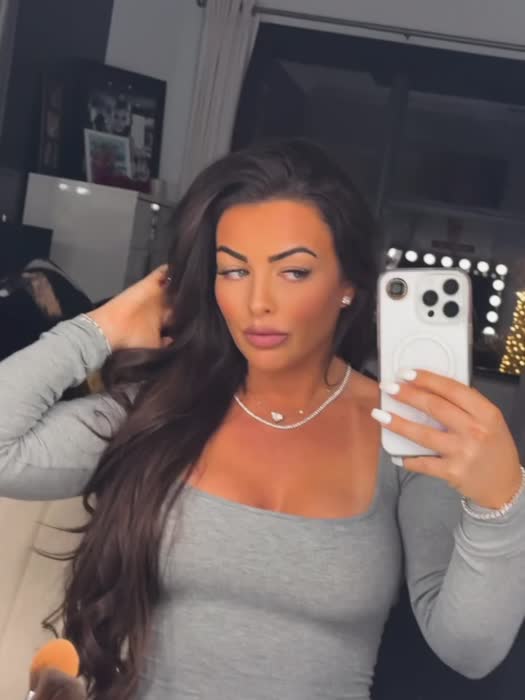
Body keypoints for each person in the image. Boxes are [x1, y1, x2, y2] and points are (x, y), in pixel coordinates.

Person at [0, 140, 524, 700]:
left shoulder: (404, 431)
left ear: (348, 285)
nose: (257, 302)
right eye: (233, 271)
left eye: (293, 272)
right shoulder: (158, 409)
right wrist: (101, 327)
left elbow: (470, 651)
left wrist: (502, 501)